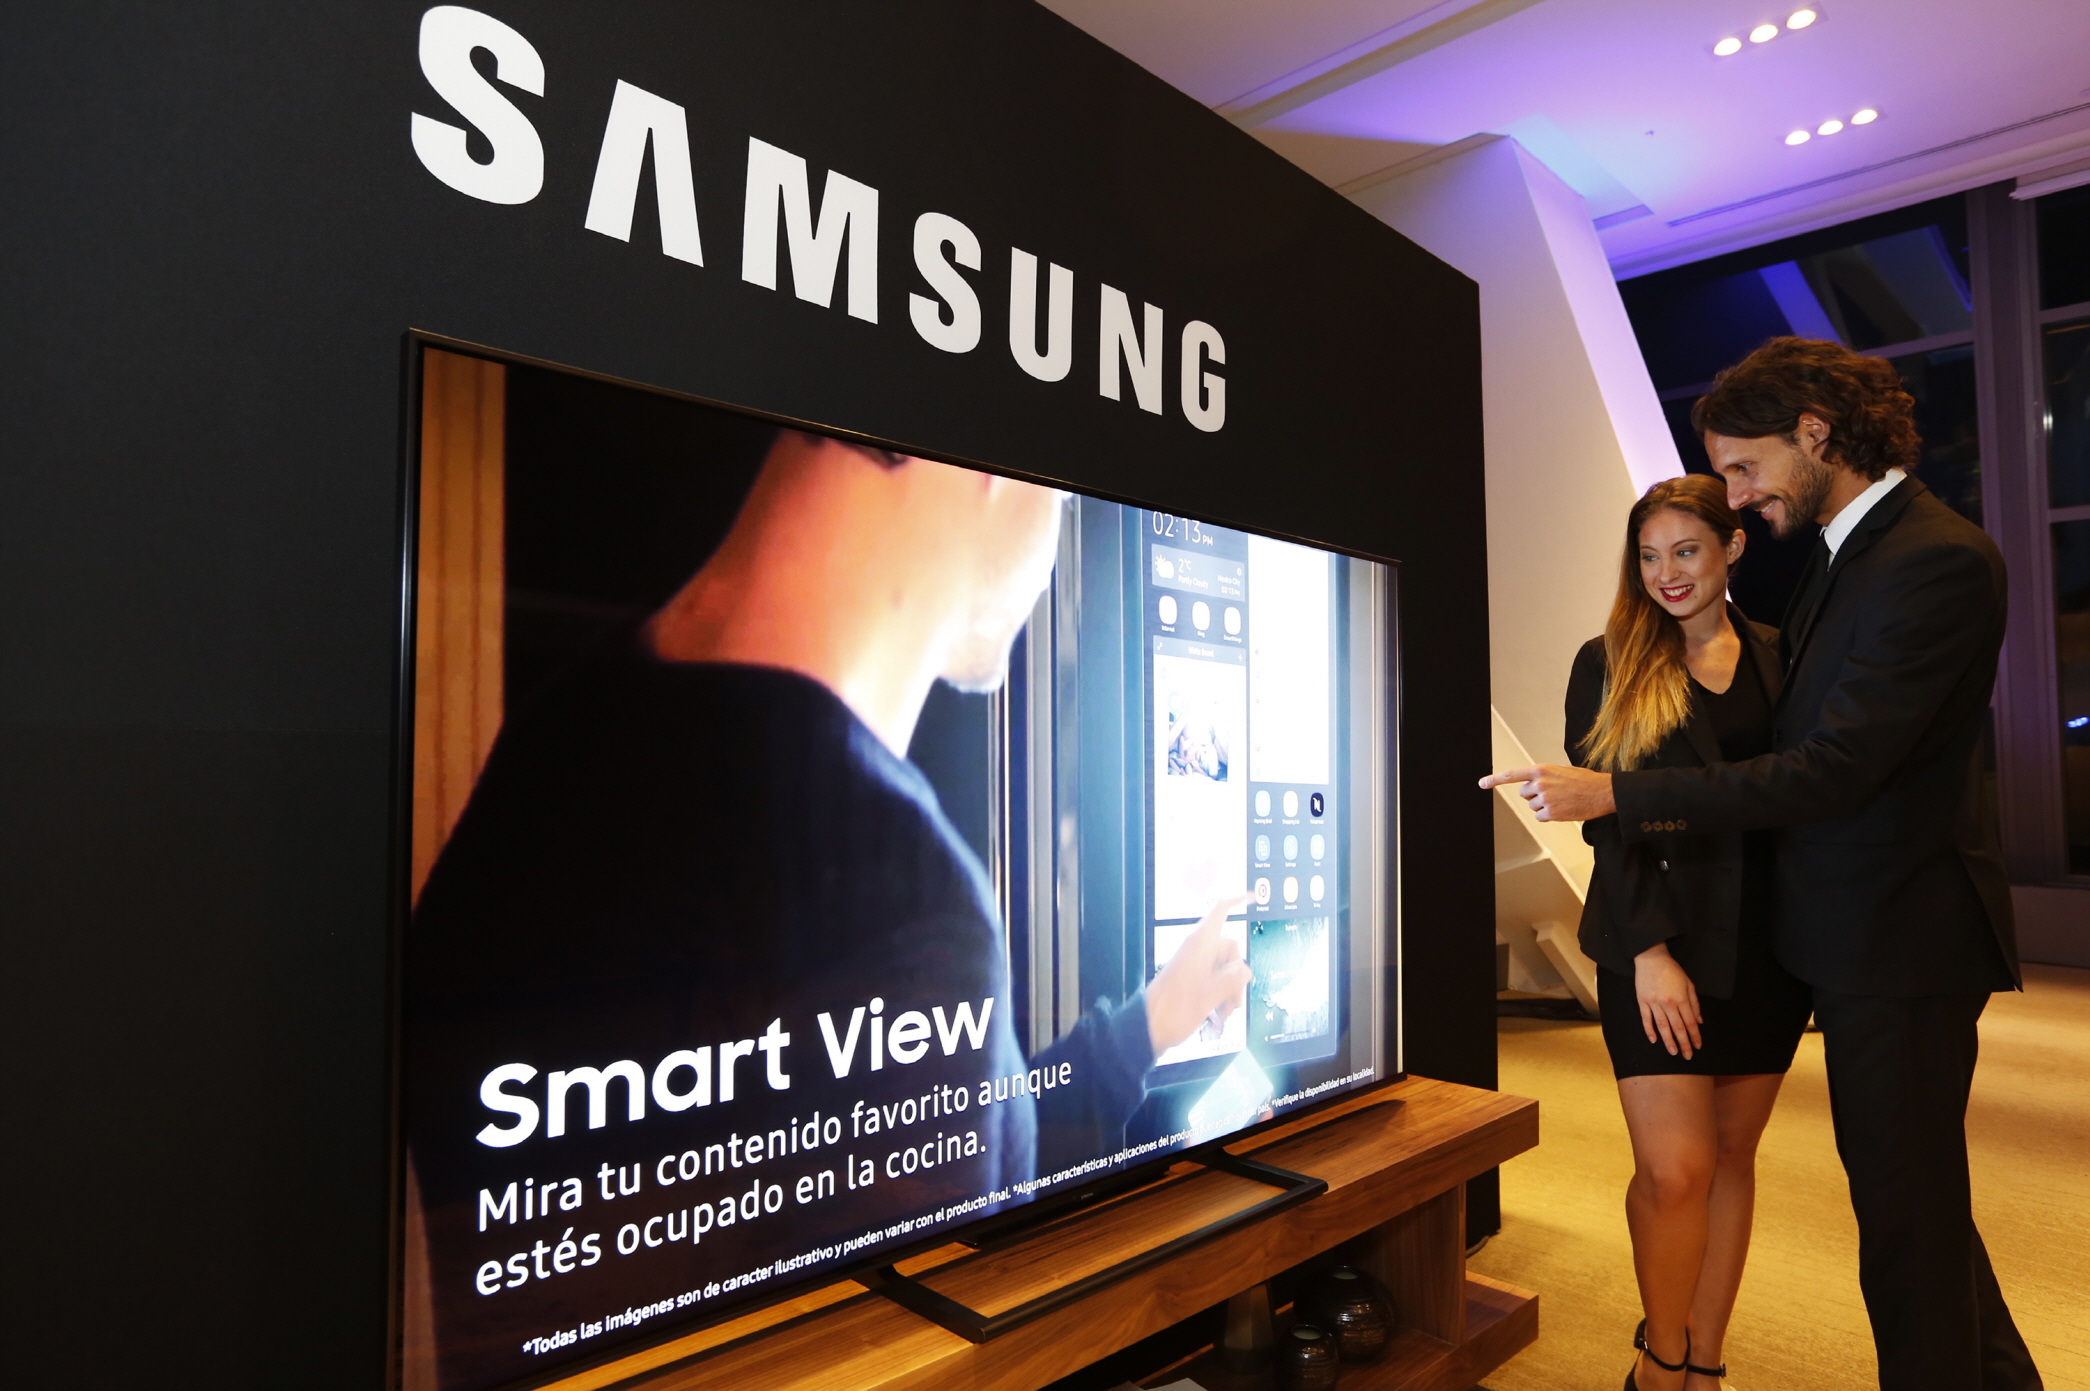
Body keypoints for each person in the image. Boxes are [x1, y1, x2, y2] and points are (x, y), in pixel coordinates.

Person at [404, 430, 1251, 1389]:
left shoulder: (556, 749)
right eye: (1060, 493)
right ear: (988, 458)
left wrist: (1144, 1029)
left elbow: (931, 1145)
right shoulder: (888, 890)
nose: (1052, 539)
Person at [1484, 338, 2038, 1391]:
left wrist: (1616, 792)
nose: (1736, 493)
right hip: (1822, 941)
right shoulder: (1843, 558)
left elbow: (1829, 769)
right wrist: (1646, 929)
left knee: (1907, 1221)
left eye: (1743, 468)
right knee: (1914, 1211)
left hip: (1890, 939)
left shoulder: (1927, 558)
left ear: (1813, 434)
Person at [1567, 474, 1813, 1390]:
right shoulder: (1608, 661)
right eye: (1648, 556)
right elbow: (1607, 820)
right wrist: (1649, 953)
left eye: (1685, 551)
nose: (1666, 573)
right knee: (1675, 1170)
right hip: (1657, 943)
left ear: (1731, 549)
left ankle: (1706, 1364)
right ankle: (1660, 1359)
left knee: (1732, 1160)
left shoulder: (1783, 654)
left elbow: (1800, 793)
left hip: (1766, 945)